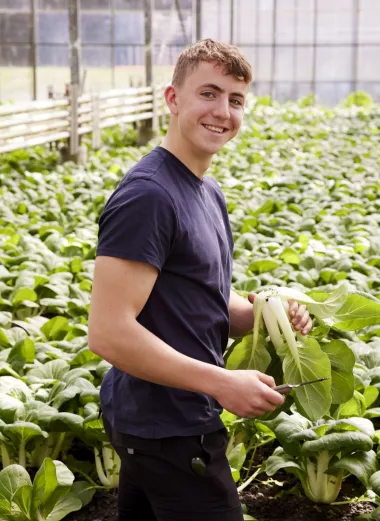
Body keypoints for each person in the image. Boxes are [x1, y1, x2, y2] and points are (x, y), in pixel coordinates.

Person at [88, 39, 312, 521]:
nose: (223, 112)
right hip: (167, 427)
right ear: (173, 99)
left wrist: (263, 318)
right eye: (208, 94)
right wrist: (221, 383)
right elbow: (108, 332)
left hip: (163, 424)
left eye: (235, 100)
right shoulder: (149, 196)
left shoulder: (205, 190)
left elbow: (202, 303)